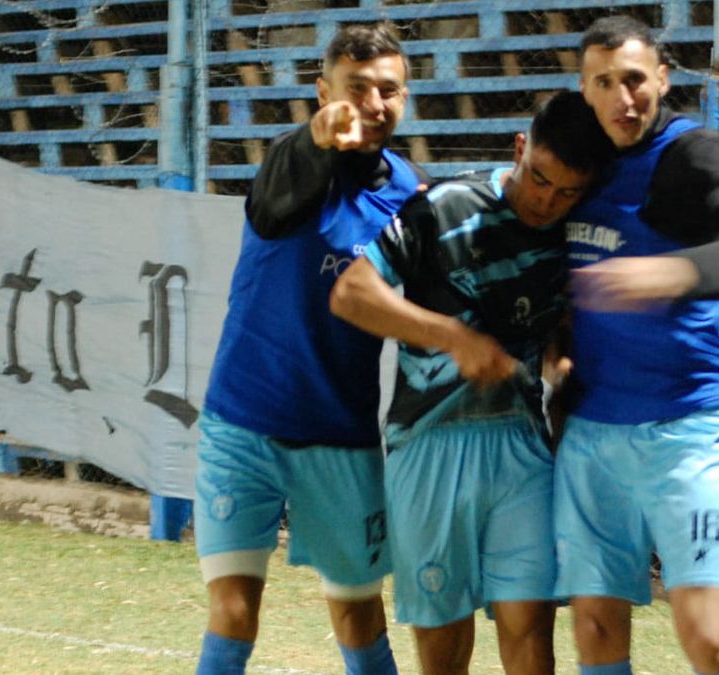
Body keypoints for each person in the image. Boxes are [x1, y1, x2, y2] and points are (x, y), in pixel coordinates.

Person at [329, 90, 614, 675]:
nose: (546, 201)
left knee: (530, 627)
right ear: (519, 148)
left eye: (566, 192)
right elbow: (351, 294)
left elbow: (557, 318)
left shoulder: (574, 231)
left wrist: (559, 361)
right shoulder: (443, 205)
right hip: (429, 444)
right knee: (443, 645)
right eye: (538, 179)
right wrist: (452, 337)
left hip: (520, 448)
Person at [194, 24, 425, 675]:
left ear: (405, 96)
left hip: (341, 437)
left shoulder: (409, 196)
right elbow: (270, 210)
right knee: (236, 609)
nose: (374, 104)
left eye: (389, 90)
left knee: (357, 612)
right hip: (244, 424)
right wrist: (319, 137)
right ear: (323, 92)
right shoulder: (288, 163)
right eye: (357, 89)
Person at [554, 15, 719, 675]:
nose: (623, 100)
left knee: (707, 638)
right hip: (592, 435)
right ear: (583, 88)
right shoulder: (576, 164)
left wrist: (670, 272)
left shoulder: (693, 155)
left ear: (661, 78)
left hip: (687, 431)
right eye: (604, 83)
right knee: (595, 630)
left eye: (633, 80)